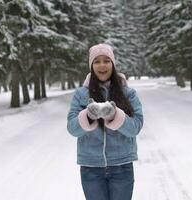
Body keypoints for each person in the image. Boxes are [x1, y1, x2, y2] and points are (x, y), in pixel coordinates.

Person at [67, 43, 144, 200]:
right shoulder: (81, 94)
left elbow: (135, 127)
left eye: (106, 60)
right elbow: (72, 128)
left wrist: (115, 116)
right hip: (91, 167)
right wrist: (88, 115)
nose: (102, 65)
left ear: (113, 64)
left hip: (122, 166)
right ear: (91, 66)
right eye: (97, 61)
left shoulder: (128, 93)